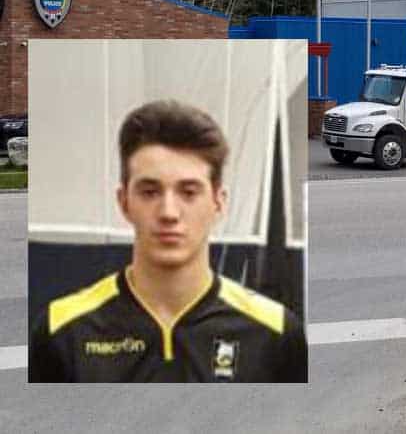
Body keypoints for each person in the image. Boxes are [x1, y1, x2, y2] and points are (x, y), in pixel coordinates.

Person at [29, 100, 307, 383]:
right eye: (150, 192)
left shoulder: (275, 333)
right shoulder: (62, 331)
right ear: (124, 202)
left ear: (218, 202)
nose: (169, 213)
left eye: (189, 192)